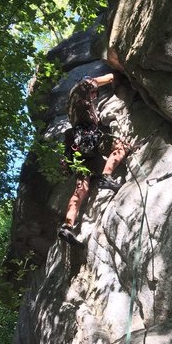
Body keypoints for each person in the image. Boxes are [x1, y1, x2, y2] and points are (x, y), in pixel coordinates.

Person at [58, 72, 131, 247]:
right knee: (122, 147)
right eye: (94, 95)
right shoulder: (81, 90)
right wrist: (123, 74)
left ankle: (67, 226)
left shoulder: (75, 111)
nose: (94, 97)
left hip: (77, 149)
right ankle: (106, 177)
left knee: (81, 188)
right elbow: (107, 78)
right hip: (88, 138)